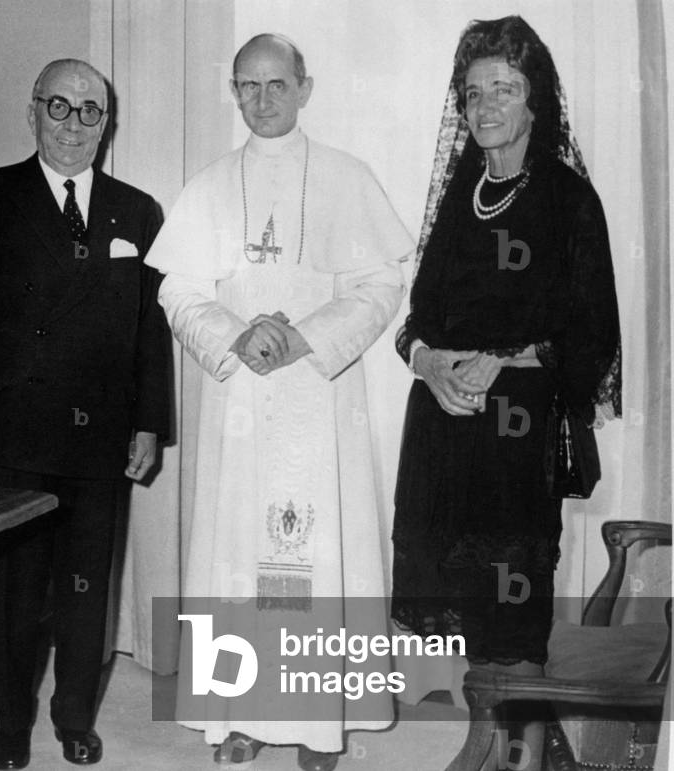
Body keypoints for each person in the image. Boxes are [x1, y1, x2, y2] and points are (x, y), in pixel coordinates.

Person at [145, 34, 412, 771]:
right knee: (240, 563)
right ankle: (244, 717)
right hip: (241, 408)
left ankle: (318, 727)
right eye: (246, 86)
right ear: (233, 92)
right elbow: (177, 287)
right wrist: (236, 335)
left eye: (275, 85)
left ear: (304, 87)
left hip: (315, 403)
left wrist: (304, 339)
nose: (260, 100)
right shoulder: (208, 184)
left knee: (312, 567)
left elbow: (378, 285)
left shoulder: (343, 177)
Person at [0, 59, 170, 769]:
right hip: (9, 426)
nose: (74, 124)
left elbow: (151, 329)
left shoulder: (137, 211)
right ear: (33, 112)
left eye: (91, 111)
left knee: (88, 590)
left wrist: (149, 422)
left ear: (106, 123)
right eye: (60, 107)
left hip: (102, 433)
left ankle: (75, 717)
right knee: (15, 591)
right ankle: (11, 721)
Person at [390, 16, 621, 771]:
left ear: (535, 101)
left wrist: (504, 357)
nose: (486, 104)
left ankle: (519, 745)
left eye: (505, 88)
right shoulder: (461, 193)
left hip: (514, 434)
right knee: (461, 589)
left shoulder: (566, 198)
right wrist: (427, 361)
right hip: (443, 427)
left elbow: (591, 334)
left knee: (511, 594)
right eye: (474, 90)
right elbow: (416, 316)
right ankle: (486, 731)